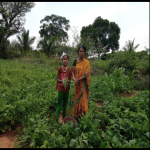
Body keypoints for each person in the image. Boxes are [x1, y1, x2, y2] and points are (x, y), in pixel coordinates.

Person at [72, 45, 90, 118]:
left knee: (83, 100)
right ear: (78, 52)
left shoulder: (87, 63)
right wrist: (74, 78)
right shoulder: (75, 61)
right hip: (77, 85)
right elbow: (73, 72)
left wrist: (79, 79)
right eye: (80, 51)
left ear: (84, 53)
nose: (81, 52)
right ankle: (76, 115)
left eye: (83, 51)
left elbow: (86, 74)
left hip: (83, 85)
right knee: (77, 99)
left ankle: (83, 116)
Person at [55, 52, 72, 123]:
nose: (65, 60)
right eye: (64, 59)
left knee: (65, 106)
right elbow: (57, 79)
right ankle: (56, 121)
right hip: (60, 90)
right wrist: (62, 81)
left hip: (66, 90)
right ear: (62, 60)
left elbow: (70, 79)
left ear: (68, 61)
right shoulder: (59, 69)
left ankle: (64, 120)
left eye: (66, 59)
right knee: (59, 105)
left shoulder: (69, 70)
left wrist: (68, 81)